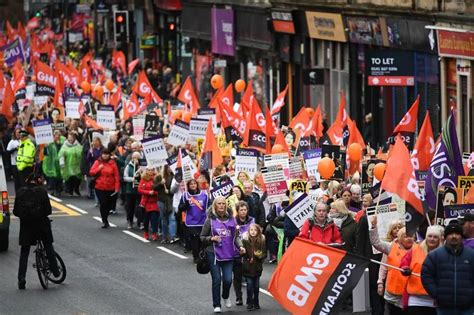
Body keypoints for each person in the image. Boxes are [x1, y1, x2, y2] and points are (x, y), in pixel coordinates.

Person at [13, 173, 59, 290]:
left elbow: (16, 212)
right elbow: (48, 210)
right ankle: (55, 271)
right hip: (41, 225)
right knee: (48, 246)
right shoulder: (42, 192)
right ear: (38, 181)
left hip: (26, 227)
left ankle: (21, 279)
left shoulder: (20, 192)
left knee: (24, 253)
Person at [200, 196, 245, 313]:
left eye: (223, 204)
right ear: (215, 206)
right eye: (219, 203)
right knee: (216, 279)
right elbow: (202, 237)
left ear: (226, 205)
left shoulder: (232, 220)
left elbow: (236, 237)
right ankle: (217, 304)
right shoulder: (209, 220)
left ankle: (225, 296)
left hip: (228, 253)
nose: (221, 205)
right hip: (213, 253)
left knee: (228, 280)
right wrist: (211, 238)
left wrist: (241, 246)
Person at [422, 223, 474, 315]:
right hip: (444, 308)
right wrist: (437, 294)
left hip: (467, 307)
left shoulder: (471, 255)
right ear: (445, 237)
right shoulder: (434, 255)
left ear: (461, 236)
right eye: (450, 234)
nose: (454, 236)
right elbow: (426, 276)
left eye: (457, 234)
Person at [370, 216, 415, 315]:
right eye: (405, 236)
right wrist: (374, 226)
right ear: (400, 237)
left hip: (411, 294)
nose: (408, 238)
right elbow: (376, 243)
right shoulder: (391, 247)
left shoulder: (418, 248)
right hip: (394, 295)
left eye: (410, 236)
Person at [399, 225, 443, 314]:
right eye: (430, 236)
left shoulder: (444, 253)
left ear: (439, 239)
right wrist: (405, 269)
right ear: (426, 237)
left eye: (435, 237)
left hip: (434, 300)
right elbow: (404, 263)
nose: (432, 239)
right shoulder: (415, 250)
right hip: (415, 299)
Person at [178, 179, 208, 263]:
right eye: (191, 184)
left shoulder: (204, 194)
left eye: (194, 183)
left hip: (202, 220)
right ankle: (196, 256)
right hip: (191, 222)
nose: (193, 185)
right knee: (194, 239)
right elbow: (180, 208)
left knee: (201, 239)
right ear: (188, 186)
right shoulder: (185, 195)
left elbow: (209, 206)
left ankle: (202, 254)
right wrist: (187, 203)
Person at [89, 149, 120, 228]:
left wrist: (116, 188)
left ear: (109, 155)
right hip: (99, 187)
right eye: (103, 154)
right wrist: (99, 168)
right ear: (101, 155)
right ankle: (104, 220)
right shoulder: (97, 162)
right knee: (103, 203)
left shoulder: (113, 163)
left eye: (107, 154)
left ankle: (105, 217)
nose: (105, 155)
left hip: (110, 187)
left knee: (109, 205)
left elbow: (116, 176)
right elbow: (91, 172)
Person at [233, 201, 254, 306]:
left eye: (245, 210)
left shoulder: (251, 220)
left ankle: (250, 298)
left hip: (248, 251)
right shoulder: (233, 221)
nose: (243, 212)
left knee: (250, 276)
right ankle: (238, 297)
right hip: (236, 251)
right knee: (237, 276)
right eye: (241, 210)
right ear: (237, 211)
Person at [241, 223, 266, 311]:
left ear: (258, 232)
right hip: (248, 267)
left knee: (256, 286)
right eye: (251, 230)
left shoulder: (261, 241)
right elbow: (241, 253)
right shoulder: (245, 241)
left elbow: (264, 254)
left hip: (257, 268)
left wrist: (259, 255)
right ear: (248, 231)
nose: (253, 232)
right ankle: (250, 302)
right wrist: (242, 252)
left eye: (255, 230)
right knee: (249, 286)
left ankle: (256, 301)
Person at [138, 167, 160, 240]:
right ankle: (146, 233)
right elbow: (140, 189)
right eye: (149, 170)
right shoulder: (143, 178)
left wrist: (154, 192)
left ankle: (154, 233)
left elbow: (159, 189)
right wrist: (148, 192)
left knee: (154, 219)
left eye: (152, 170)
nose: (150, 171)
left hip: (154, 202)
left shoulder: (156, 178)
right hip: (145, 202)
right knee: (146, 219)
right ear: (146, 171)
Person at [42, 130, 64, 197]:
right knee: (52, 177)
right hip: (51, 163)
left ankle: (58, 190)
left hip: (59, 163)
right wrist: (46, 147)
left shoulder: (62, 143)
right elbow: (45, 153)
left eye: (58, 135)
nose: (57, 136)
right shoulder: (49, 144)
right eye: (55, 135)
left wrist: (59, 144)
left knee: (59, 177)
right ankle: (54, 189)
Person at [123, 152, 141, 229]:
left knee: (139, 207)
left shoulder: (142, 167)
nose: (136, 159)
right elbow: (125, 177)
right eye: (134, 158)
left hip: (139, 190)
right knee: (130, 207)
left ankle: (140, 222)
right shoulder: (128, 166)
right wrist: (131, 179)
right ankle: (130, 221)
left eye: (137, 158)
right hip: (130, 190)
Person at [6, 126, 21, 191]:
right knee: (17, 180)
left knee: (22, 179)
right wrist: (15, 149)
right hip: (14, 164)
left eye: (19, 132)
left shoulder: (22, 140)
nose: (18, 134)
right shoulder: (12, 142)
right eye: (17, 132)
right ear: (14, 133)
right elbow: (7, 153)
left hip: (22, 163)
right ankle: (17, 193)